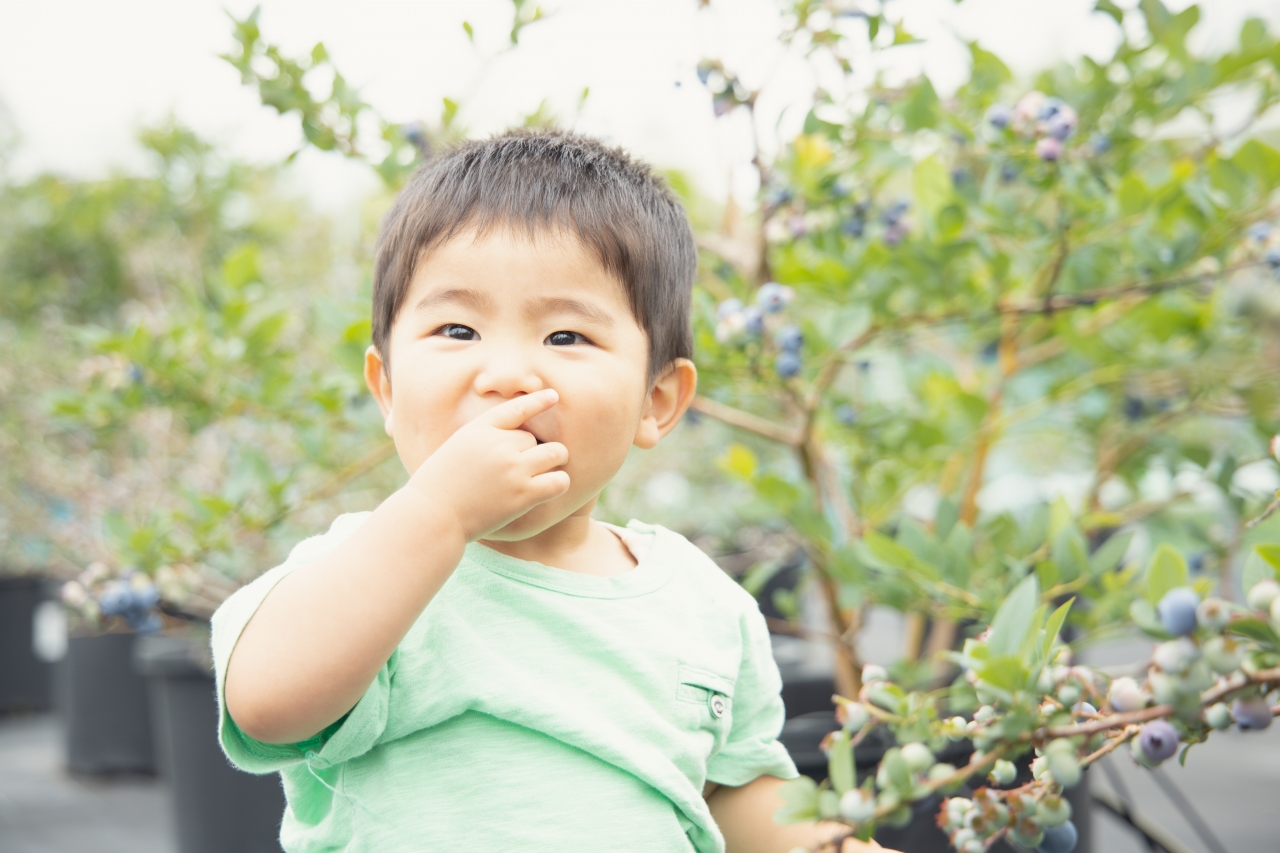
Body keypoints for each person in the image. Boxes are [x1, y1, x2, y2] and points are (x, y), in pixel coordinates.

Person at [213, 129, 884, 853]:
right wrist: (437, 514)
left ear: (656, 400)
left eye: (566, 337)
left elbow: (731, 790)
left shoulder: (703, 603)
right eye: (457, 328)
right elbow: (266, 703)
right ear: (386, 386)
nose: (507, 374)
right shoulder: (367, 573)